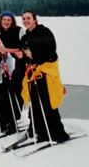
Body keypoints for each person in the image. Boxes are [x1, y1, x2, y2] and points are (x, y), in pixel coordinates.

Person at [16, 11, 69, 142]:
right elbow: (25, 57)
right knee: (35, 103)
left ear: (35, 20)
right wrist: (22, 56)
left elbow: (50, 47)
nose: (26, 21)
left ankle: (58, 133)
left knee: (47, 102)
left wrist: (32, 52)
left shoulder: (44, 31)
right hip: (32, 73)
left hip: (46, 73)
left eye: (28, 18)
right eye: (23, 19)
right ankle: (39, 130)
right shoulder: (25, 37)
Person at [0, 11, 26, 133]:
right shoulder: (1, 34)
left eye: (8, 20)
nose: (6, 22)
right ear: (1, 22)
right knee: (9, 94)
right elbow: (2, 53)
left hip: (21, 66)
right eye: (4, 20)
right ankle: (8, 119)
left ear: (12, 21)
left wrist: (6, 49)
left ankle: (14, 120)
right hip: (11, 67)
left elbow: (22, 48)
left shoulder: (19, 31)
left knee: (17, 94)